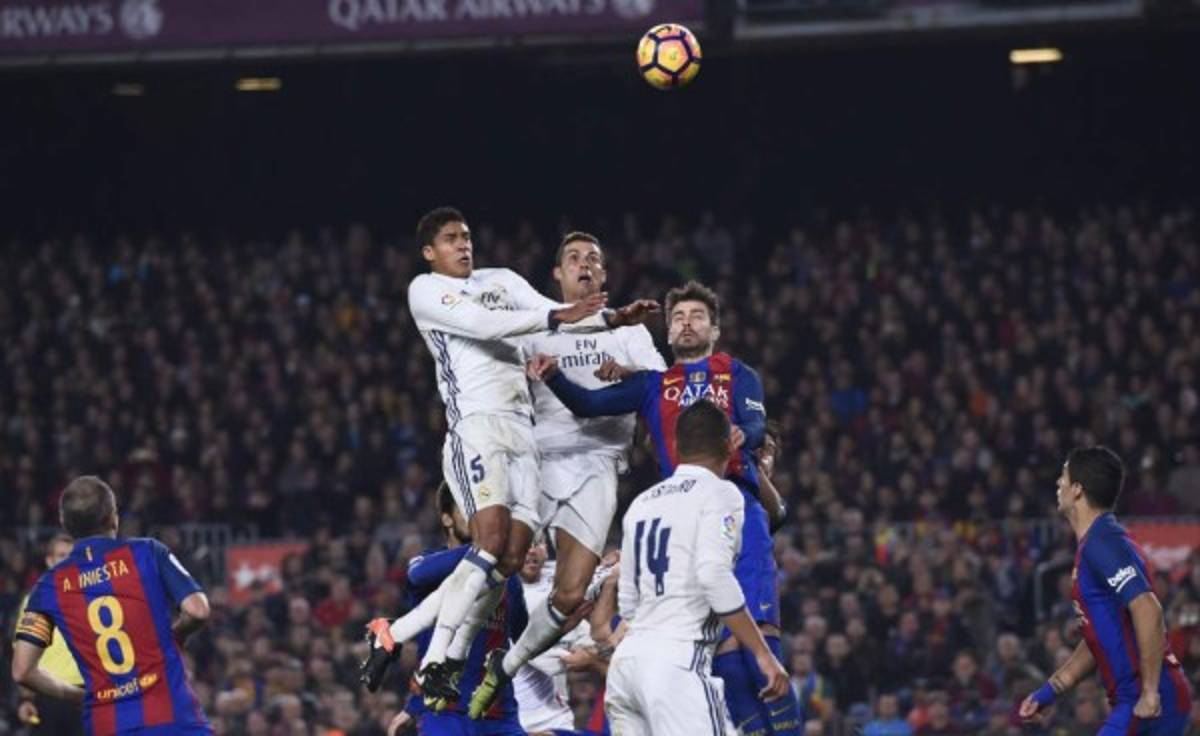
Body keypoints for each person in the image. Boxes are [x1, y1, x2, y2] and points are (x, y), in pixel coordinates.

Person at [361, 206, 657, 697]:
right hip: (478, 426)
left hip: (525, 432)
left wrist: (610, 318)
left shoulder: (503, 280)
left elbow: (555, 320)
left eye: (466, 236)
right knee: (491, 542)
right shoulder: (425, 290)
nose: (463, 244)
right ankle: (437, 661)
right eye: (451, 238)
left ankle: (398, 633)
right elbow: (483, 324)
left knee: (510, 558)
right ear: (429, 251)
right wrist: (561, 315)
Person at [525, 280, 802, 733]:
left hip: (738, 505)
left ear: (714, 329)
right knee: (724, 656)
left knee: (761, 644)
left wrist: (744, 435)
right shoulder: (652, 384)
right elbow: (589, 404)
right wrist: (554, 376)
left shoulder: (737, 373)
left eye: (697, 316)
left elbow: (755, 423)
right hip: (683, 513)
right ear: (668, 333)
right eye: (677, 318)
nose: (686, 324)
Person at [469, 231, 666, 718]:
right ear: (557, 274)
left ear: (604, 274)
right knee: (494, 559)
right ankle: (449, 656)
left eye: (593, 259)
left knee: (571, 593)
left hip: (598, 463)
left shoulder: (629, 333)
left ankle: (505, 667)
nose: (584, 264)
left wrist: (629, 376)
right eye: (574, 258)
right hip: (536, 461)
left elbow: (662, 393)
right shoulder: (537, 327)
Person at [604, 400, 790, 734]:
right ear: (729, 446)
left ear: (676, 446)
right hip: (676, 666)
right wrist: (762, 653)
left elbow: (629, 601)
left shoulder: (642, 503)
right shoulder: (721, 493)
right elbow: (713, 576)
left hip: (626, 669)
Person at [11, 476, 212, 735]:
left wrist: (78, 696)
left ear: (65, 523)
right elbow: (198, 611)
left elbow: (22, 671)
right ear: (112, 517)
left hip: (107, 722)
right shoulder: (148, 552)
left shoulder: (47, 587)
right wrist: (177, 636)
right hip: (173, 716)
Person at [1019, 446, 1193, 735]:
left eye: (1064, 475)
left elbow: (1147, 608)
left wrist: (1150, 692)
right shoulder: (1099, 541)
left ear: (1077, 489)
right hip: (1145, 698)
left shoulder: (1102, 542)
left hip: (1146, 699)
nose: (1058, 482)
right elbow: (1101, 636)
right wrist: (1049, 691)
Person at [392, 481, 528, 736]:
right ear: (447, 519)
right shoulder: (428, 565)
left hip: (499, 715)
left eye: (484, 510)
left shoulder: (507, 579)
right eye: (468, 509)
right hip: (445, 712)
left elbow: (523, 636)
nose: (479, 517)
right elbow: (416, 575)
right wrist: (493, 544)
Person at [13, 532, 85, 736]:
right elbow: (23, 659)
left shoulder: (97, 600)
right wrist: (26, 699)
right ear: (49, 561)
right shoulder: (35, 602)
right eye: (61, 556)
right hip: (47, 697)